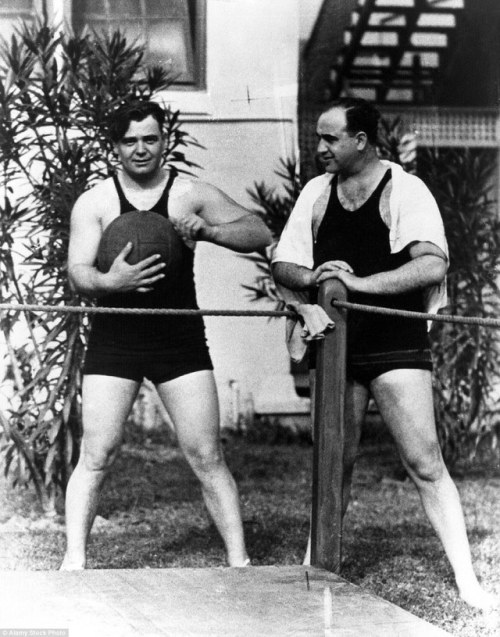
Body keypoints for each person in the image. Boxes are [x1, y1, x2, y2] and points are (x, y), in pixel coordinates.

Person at [272, 97, 495, 609]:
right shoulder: (316, 193)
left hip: (394, 344)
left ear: (362, 142)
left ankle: (468, 582)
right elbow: (284, 263)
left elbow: (431, 266)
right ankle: (317, 570)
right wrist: (316, 278)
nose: (319, 147)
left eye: (330, 138)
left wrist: (358, 283)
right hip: (335, 343)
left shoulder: (404, 188)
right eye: (319, 137)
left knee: (425, 462)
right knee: (335, 463)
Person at [62, 99, 272, 570]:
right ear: (115, 147)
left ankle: (240, 563)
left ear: (165, 141)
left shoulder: (188, 194)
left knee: (205, 453)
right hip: (115, 341)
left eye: (150, 139)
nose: (141, 149)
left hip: (179, 340)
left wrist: (207, 231)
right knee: (96, 452)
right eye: (130, 141)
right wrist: (109, 283)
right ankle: (73, 563)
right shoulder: (95, 202)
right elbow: (78, 271)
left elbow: (257, 229)